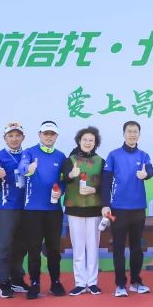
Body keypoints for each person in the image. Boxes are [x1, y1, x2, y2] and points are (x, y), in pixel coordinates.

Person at [102, 120, 153, 297]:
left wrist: (146, 174)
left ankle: (135, 281)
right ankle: (120, 285)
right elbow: (106, 181)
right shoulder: (113, 155)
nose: (132, 134)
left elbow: (150, 170)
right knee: (118, 247)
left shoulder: (144, 155)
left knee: (136, 248)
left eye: (135, 132)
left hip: (138, 208)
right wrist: (105, 204)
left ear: (139, 135)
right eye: (129, 131)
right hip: (118, 208)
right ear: (123, 134)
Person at [20, 121, 68, 299]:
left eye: (52, 134)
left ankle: (55, 282)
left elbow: (64, 180)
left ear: (56, 136)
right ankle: (34, 283)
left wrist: (61, 190)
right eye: (45, 133)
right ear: (39, 135)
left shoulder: (61, 156)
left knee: (53, 248)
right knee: (33, 249)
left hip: (53, 210)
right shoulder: (29, 152)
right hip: (32, 210)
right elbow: (22, 167)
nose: (49, 137)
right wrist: (29, 168)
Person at [62, 126, 106, 296]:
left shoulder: (100, 161)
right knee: (78, 248)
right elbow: (61, 179)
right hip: (74, 209)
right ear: (79, 141)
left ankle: (92, 282)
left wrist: (94, 190)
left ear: (95, 143)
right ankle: (80, 282)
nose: (88, 142)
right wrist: (70, 175)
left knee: (93, 247)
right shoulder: (70, 160)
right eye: (85, 139)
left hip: (94, 209)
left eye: (91, 140)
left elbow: (107, 185)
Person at [0, 122, 30, 299]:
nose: (14, 139)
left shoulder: (28, 155)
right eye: (10, 136)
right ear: (4, 138)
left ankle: (17, 279)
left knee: (21, 245)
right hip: (7, 207)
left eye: (17, 135)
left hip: (27, 207)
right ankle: (3, 282)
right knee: (4, 245)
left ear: (23, 137)